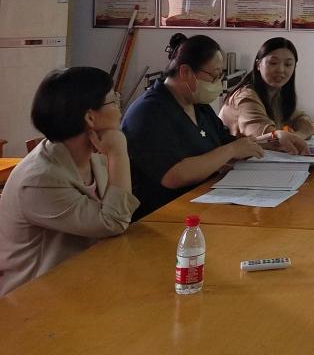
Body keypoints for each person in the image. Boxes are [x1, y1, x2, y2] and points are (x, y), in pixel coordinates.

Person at [0, 67, 138, 296]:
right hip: (34, 299)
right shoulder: (40, 179)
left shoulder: (94, 156)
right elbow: (114, 222)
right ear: (90, 117)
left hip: (84, 280)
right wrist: (118, 152)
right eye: (114, 101)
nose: (120, 107)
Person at [121, 33, 263, 219]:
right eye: (214, 76)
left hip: (203, 203)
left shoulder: (198, 105)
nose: (218, 83)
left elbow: (225, 141)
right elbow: (173, 175)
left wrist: (269, 142)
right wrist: (231, 151)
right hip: (162, 216)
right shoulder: (148, 112)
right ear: (186, 72)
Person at [219, 37, 311, 154]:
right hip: (232, 163)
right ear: (258, 64)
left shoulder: (277, 94)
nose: (280, 69)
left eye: (288, 64)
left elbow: (304, 121)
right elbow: (268, 137)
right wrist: (289, 138)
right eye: (273, 63)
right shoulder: (246, 96)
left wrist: (298, 136)